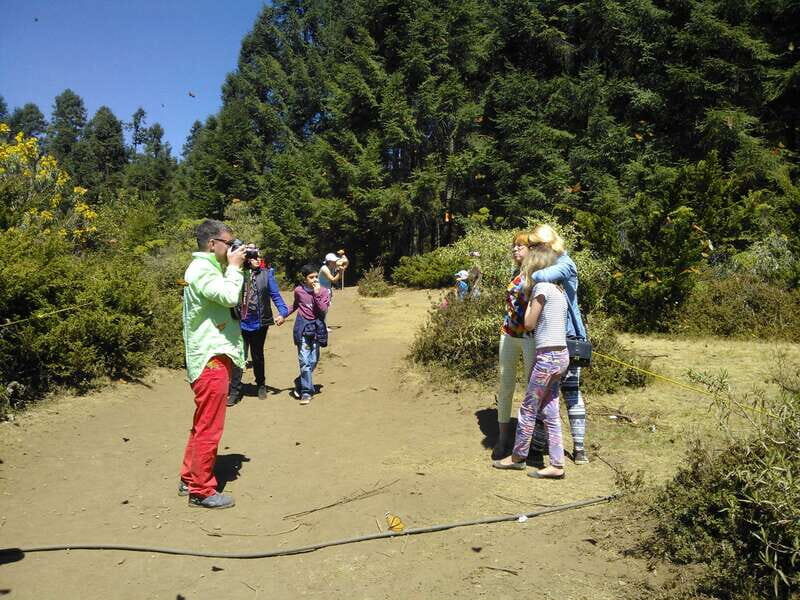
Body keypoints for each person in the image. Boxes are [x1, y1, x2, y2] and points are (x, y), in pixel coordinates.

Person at [178, 219, 246, 509]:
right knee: (210, 427)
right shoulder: (202, 269)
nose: (233, 248)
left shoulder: (212, 267)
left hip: (214, 356)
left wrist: (241, 267)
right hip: (210, 359)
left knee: (202, 423)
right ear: (212, 243)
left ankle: (189, 477)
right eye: (229, 243)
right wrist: (235, 267)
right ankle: (201, 490)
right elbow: (229, 296)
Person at [492, 246, 570, 479]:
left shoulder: (541, 288)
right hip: (561, 355)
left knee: (528, 407)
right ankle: (557, 464)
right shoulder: (559, 289)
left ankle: (517, 457)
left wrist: (527, 303)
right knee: (550, 409)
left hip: (547, 357)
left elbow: (528, 323)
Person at [527, 224, 590, 465]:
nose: (532, 249)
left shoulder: (565, 263)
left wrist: (530, 269)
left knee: (569, 392)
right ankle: (539, 446)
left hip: (568, 336)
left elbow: (539, 278)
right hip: (551, 336)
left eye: (535, 245)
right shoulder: (554, 262)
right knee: (545, 392)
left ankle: (579, 449)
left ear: (547, 243)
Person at [492, 232, 537, 460]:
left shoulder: (540, 274)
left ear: (532, 249)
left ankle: (531, 440)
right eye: (514, 246)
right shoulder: (515, 273)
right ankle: (502, 439)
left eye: (520, 246)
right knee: (505, 384)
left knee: (533, 388)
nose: (515, 250)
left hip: (531, 337)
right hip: (508, 334)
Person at [227, 248, 289, 406]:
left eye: (258, 257)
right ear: (247, 259)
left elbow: (275, 295)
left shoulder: (266, 275)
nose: (258, 260)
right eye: (254, 257)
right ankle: (234, 391)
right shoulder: (238, 274)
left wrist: (283, 312)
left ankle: (261, 384)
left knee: (257, 356)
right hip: (240, 323)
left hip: (260, 324)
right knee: (238, 356)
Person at [286, 264, 331, 405]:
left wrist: (317, 294)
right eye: (311, 277)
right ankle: (306, 392)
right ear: (304, 279)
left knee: (313, 360)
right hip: (303, 328)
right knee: (304, 361)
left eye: (316, 276)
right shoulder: (299, 291)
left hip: (317, 329)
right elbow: (295, 305)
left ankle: (300, 381)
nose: (315, 279)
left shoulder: (324, 291)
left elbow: (323, 310)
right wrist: (283, 315)